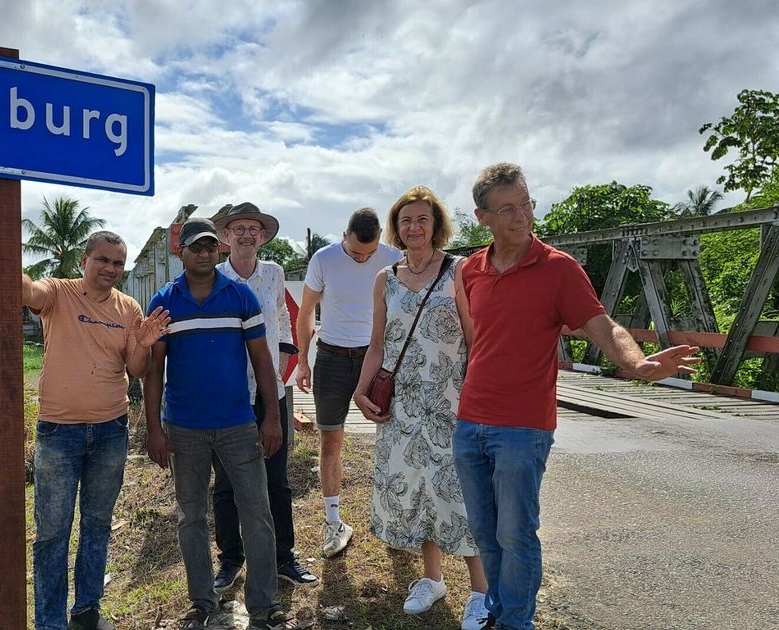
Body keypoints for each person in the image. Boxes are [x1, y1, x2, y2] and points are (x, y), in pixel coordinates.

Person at [454, 163, 701, 630]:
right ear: (482, 217)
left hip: (523, 426)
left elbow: (601, 324)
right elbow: (477, 340)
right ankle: (500, 613)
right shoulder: (471, 270)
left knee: (515, 533)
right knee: (485, 533)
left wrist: (639, 364)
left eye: (525, 204)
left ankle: (516, 623)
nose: (521, 216)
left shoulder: (558, 268)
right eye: (507, 209)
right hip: (469, 422)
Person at [352, 186, 489, 630]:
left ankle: (481, 592)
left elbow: (474, 338)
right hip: (402, 407)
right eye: (406, 219)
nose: (414, 227)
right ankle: (432, 580)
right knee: (415, 490)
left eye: (422, 219)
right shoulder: (385, 278)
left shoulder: (457, 271)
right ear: (396, 226)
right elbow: (378, 344)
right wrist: (361, 390)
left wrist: (478, 396)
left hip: (450, 402)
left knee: (458, 494)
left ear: (436, 225)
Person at [144, 217, 291, 630]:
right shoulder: (165, 301)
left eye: (210, 246)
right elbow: (154, 370)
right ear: (181, 252)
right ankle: (203, 604)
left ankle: (263, 606)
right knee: (191, 516)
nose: (205, 253)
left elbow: (262, 360)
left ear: (218, 250)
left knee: (257, 512)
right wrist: (154, 428)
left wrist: (272, 417)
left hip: (237, 423)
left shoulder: (240, 296)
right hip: (184, 428)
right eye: (196, 247)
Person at [23, 232, 171, 630]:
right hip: (58, 432)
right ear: (84, 260)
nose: (110, 268)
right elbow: (28, 292)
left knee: (97, 523)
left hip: (110, 430)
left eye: (118, 263)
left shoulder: (128, 307)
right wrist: (2, 263)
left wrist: (143, 343)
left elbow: (136, 369)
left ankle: (86, 611)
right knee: (52, 532)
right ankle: (50, 622)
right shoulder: (58, 292)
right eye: (102, 259)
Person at [211, 203, 318, 593]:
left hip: (270, 392)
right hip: (228, 394)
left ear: (262, 236)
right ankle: (230, 558)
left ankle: (282, 556)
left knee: (277, 479)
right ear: (226, 236)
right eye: (238, 229)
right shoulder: (213, 277)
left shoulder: (273, 273)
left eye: (253, 229)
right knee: (226, 481)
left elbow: (282, 315)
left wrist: (284, 358)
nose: (246, 235)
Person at [295, 207, 402, 557]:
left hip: (377, 358)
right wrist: (303, 361)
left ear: (380, 241)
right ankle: (334, 523)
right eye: (355, 253)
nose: (362, 259)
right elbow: (305, 312)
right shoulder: (323, 259)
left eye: (368, 254)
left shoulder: (394, 259)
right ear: (344, 236)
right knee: (331, 439)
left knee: (393, 437)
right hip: (332, 358)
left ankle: (396, 521)